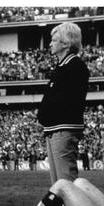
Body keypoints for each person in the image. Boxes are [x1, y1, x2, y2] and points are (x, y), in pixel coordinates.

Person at [38, 22, 89, 184]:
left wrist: (46, 113)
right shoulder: (63, 66)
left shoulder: (74, 67)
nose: (50, 44)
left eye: (54, 40)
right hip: (55, 129)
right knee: (59, 185)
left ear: (66, 44)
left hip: (63, 129)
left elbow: (68, 101)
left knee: (66, 184)